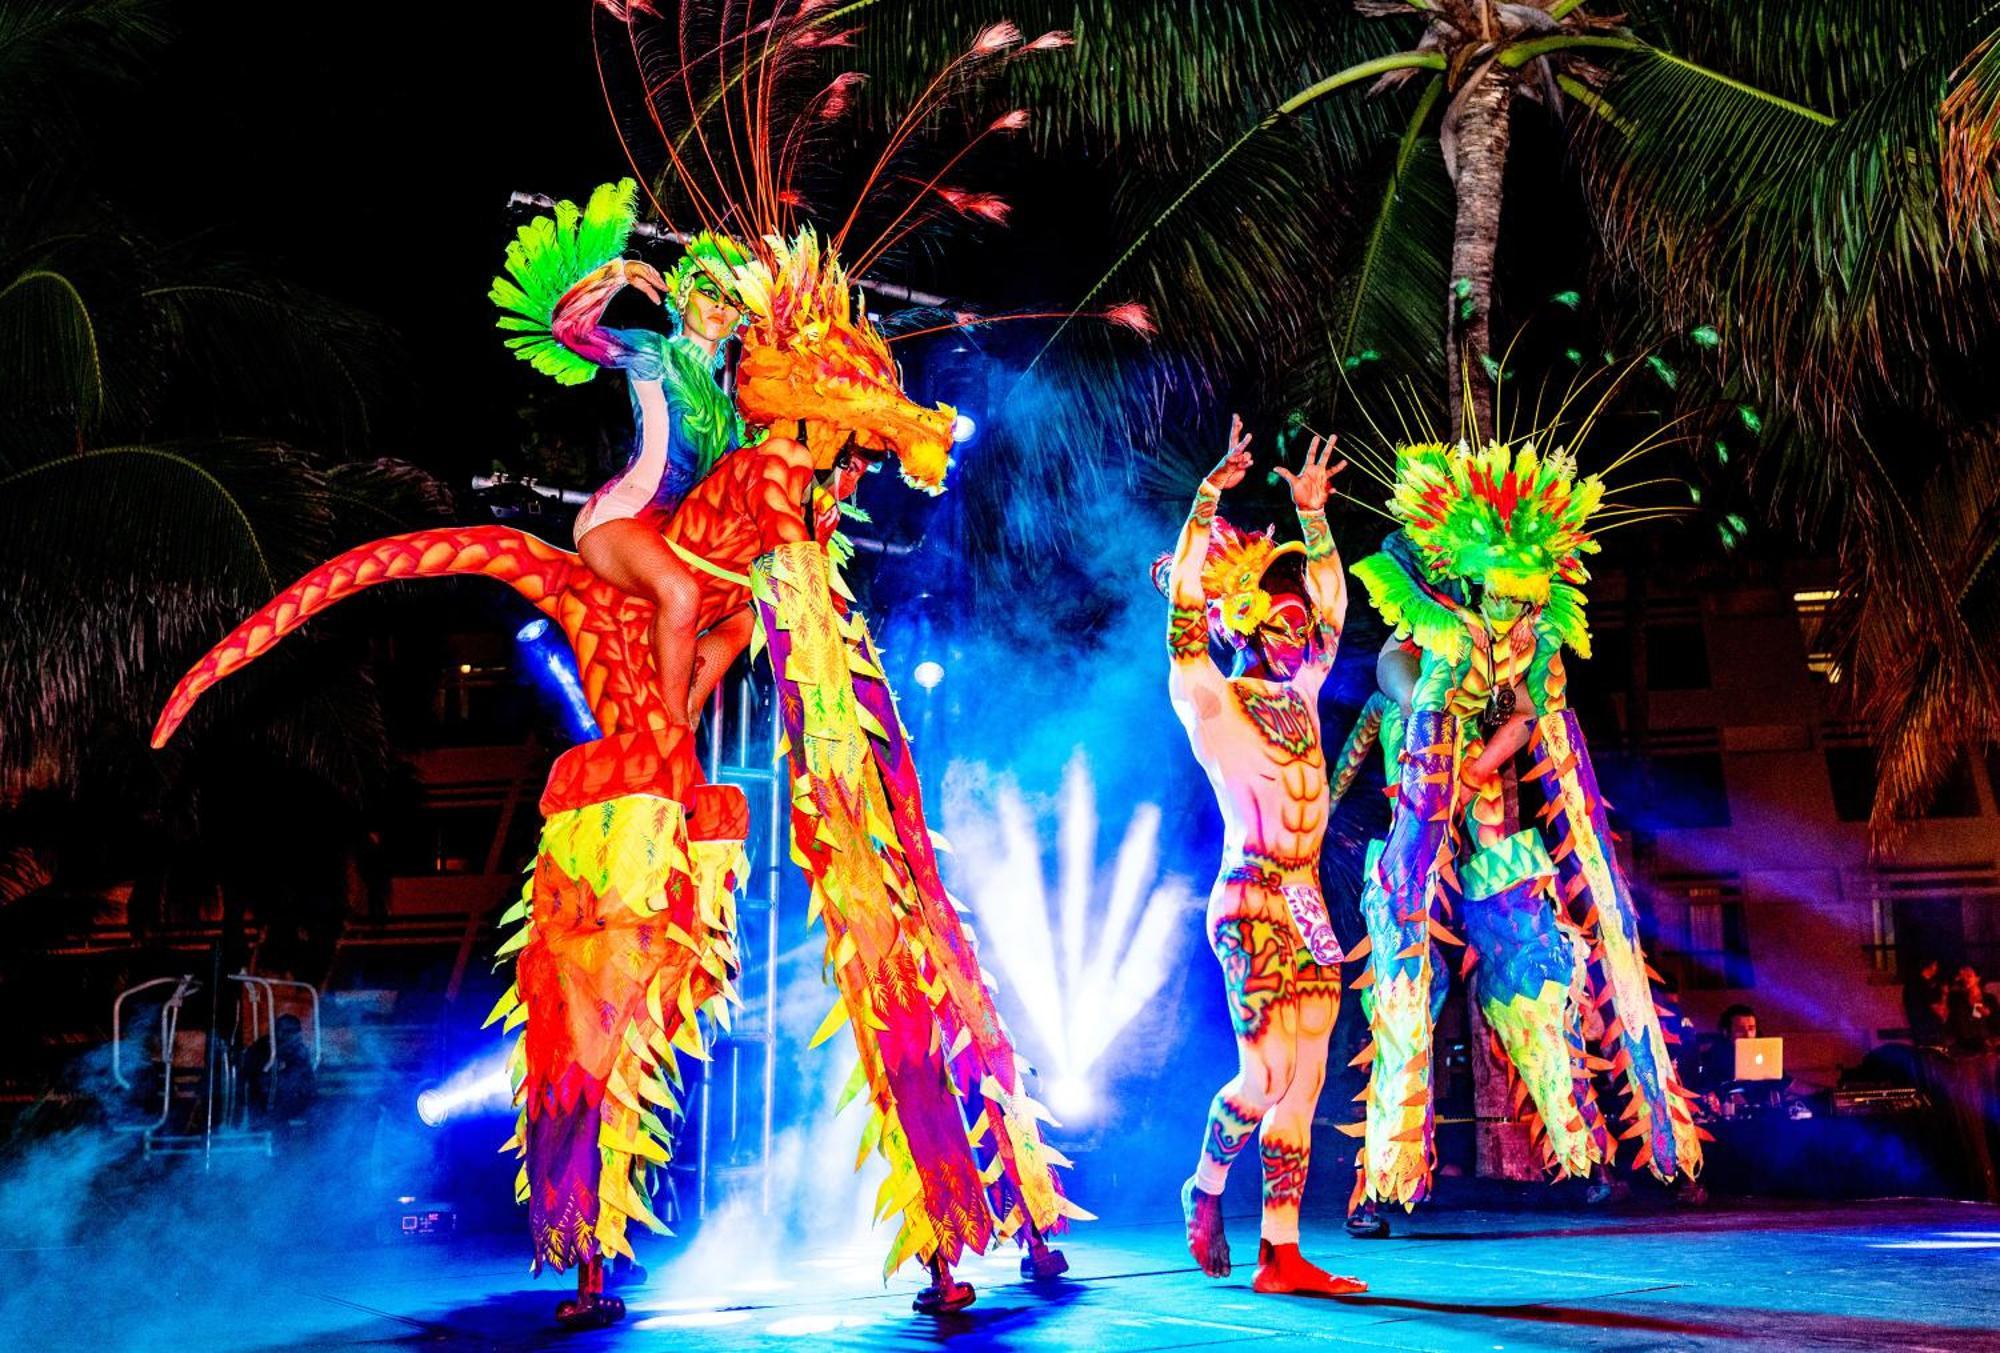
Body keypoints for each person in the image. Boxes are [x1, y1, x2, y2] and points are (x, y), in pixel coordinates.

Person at [1164, 417, 1366, 1297]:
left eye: (1299, 622)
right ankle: (1205, 1191)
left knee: (1308, 1079)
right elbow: (1180, 626)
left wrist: (1312, 516)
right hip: (1249, 898)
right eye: (1279, 620)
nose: (1299, 632)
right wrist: (1209, 500)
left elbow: (1337, 601)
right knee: (1265, 1071)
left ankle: (1280, 1251)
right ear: (1243, 626)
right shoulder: (1214, 699)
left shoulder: (1305, 693)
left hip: (1311, 902)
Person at [554, 229, 754, 726]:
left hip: (670, 542)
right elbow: (569, 330)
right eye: (709, 290)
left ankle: (685, 703)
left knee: (751, 617)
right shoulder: (653, 354)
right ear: (683, 294)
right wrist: (616, 275)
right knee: (682, 594)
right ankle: (673, 728)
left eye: (733, 299)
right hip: (617, 521)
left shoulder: (729, 415)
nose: (720, 307)